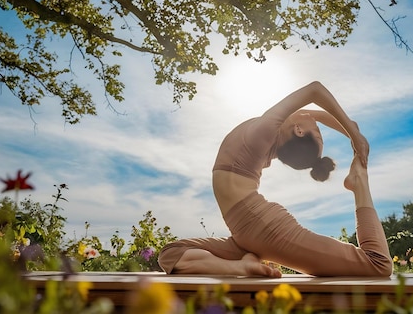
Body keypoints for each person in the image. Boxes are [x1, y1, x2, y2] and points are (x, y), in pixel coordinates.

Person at [158, 81, 392, 277]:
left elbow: (315, 91)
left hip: (265, 228)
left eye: (318, 130)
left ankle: (359, 183)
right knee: (171, 253)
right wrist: (352, 131)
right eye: (319, 130)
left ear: (299, 130)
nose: (317, 122)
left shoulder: (265, 130)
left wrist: (353, 134)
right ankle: (239, 266)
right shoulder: (267, 134)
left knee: (378, 265)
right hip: (245, 235)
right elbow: (315, 107)